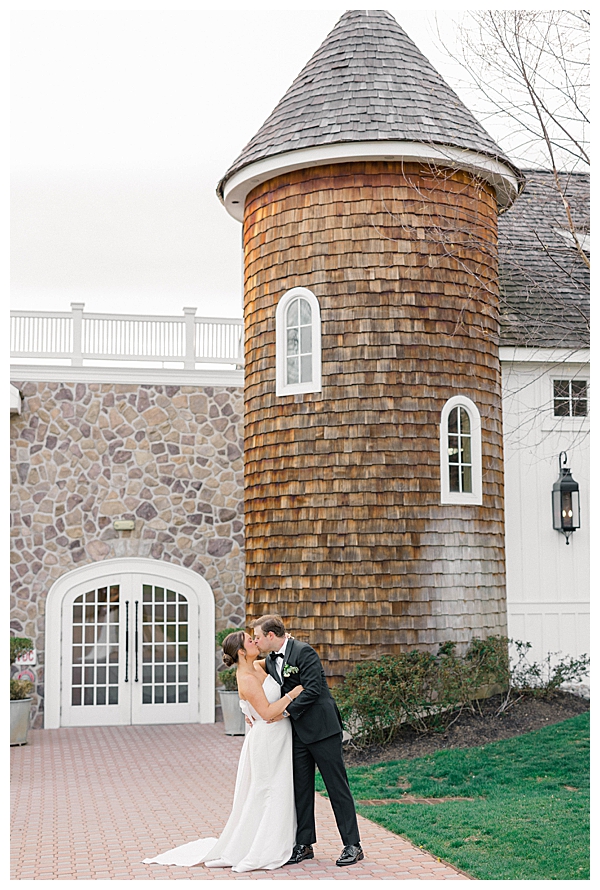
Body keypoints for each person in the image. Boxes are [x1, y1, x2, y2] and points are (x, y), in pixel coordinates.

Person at [143, 630, 304, 873]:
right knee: (268, 791)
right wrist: (293, 694)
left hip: (279, 739)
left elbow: (278, 658)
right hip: (267, 740)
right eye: (251, 640)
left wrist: (285, 641)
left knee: (279, 789)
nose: (255, 641)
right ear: (241, 651)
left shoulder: (258, 666)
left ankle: (280, 840)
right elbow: (268, 713)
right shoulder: (247, 678)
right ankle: (263, 847)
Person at [252, 614, 364, 867]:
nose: (256, 641)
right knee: (301, 789)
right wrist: (249, 711)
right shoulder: (270, 659)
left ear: (271, 635)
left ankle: (353, 845)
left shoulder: (304, 652)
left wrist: (285, 711)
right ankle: (304, 845)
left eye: (258, 637)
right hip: (297, 734)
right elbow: (249, 673)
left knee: (337, 787)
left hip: (323, 730)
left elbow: (313, 689)